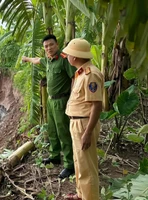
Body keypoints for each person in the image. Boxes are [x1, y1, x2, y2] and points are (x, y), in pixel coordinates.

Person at [22, 34, 76, 179]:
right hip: (51, 102)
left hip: (62, 101)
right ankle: (54, 156)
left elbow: (74, 78)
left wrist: (73, 99)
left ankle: (70, 165)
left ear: (57, 45)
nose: (49, 48)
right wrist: (26, 59)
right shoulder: (48, 60)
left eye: (51, 45)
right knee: (52, 129)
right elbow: (36, 60)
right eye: (46, 46)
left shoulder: (64, 60)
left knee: (63, 131)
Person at [62, 38, 103, 200]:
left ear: (75, 56)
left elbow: (96, 105)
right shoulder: (80, 73)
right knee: (79, 162)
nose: (68, 57)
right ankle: (81, 194)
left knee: (87, 166)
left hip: (84, 123)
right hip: (77, 122)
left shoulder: (90, 75)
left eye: (69, 54)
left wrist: (87, 133)